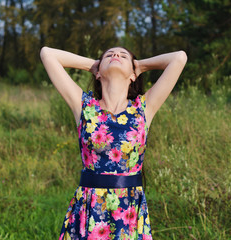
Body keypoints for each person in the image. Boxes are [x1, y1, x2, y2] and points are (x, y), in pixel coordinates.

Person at [40, 46, 187, 239]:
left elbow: (179, 58)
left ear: (133, 75)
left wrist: (140, 65)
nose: (116, 55)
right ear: (99, 73)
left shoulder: (143, 108)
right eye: (109, 55)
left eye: (123, 55)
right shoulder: (84, 106)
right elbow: (47, 54)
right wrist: (93, 66)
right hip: (90, 209)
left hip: (128, 212)